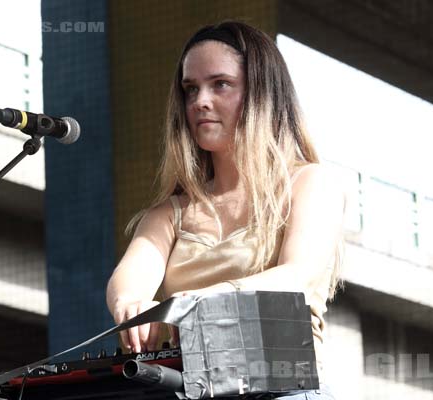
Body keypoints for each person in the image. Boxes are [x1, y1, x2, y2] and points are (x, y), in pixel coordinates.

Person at [106, 20, 343, 399]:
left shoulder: (309, 183)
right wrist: (130, 304)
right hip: (193, 389)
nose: (200, 100)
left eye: (220, 84)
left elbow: (297, 276)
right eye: (190, 89)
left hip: (286, 389)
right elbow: (127, 282)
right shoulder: (169, 213)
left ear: (262, 92)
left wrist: (195, 300)